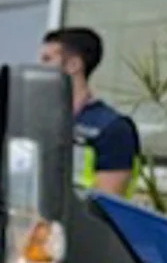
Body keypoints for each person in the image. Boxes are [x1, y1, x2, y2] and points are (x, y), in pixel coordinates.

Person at [41, 26, 144, 198]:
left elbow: (108, 201)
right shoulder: (40, 119)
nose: (39, 68)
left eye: (47, 59)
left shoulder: (111, 127)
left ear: (74, 65)